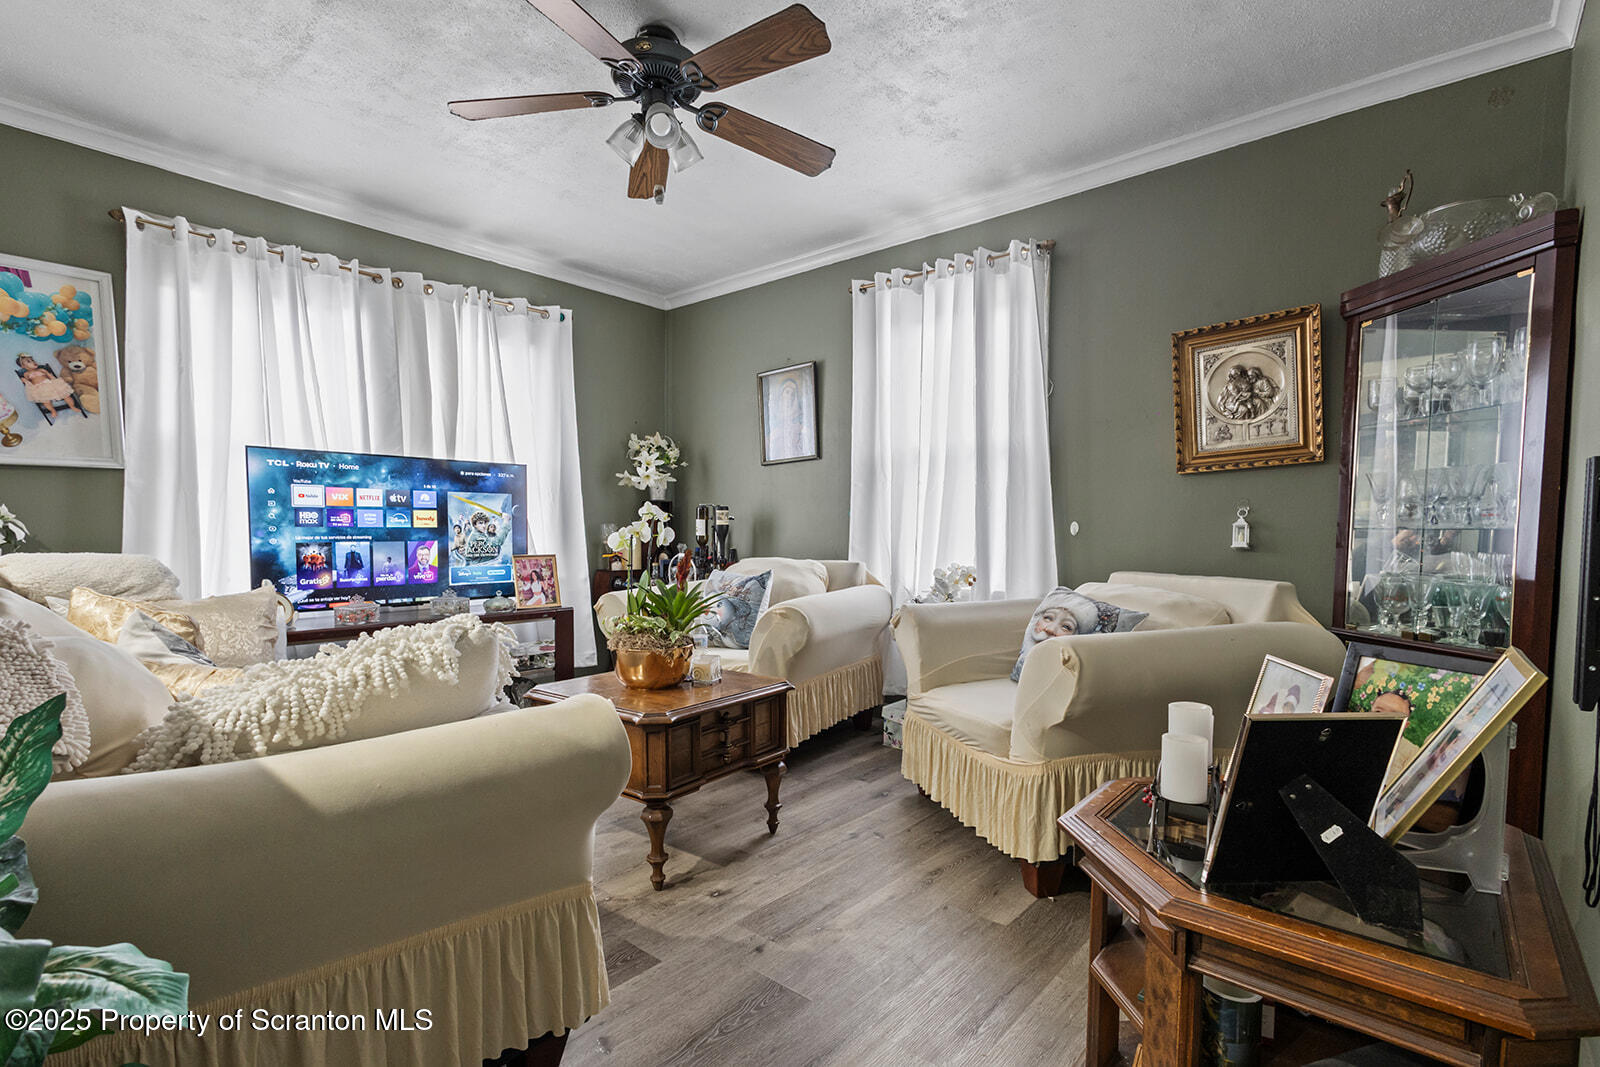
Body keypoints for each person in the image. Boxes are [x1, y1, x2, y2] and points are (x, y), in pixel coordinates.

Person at [15, 355, 82, 415]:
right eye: (29, 361)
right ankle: (52, 410)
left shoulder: (42, 369)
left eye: (32, 360)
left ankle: (72, 406)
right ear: (23, 366)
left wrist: (56, 381)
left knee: (66, 395)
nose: (33, 362)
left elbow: (50, 376)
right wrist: (25, 381)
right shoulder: (26, 374)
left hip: (50, 385)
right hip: (40, 389)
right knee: (46, 401)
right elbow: (28, 382)